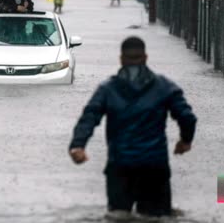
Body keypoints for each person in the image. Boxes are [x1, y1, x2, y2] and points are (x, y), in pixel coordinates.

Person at [68, 37, 197, 219]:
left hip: (120, 165)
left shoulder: (108, 89)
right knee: (156, 216)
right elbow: (187, 117)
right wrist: (185, 141)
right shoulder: (164, 87)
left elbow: (89, 117)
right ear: (145, 57)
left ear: (121, 59)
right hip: (155, 166)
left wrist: (78, 145)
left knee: (118, 216)